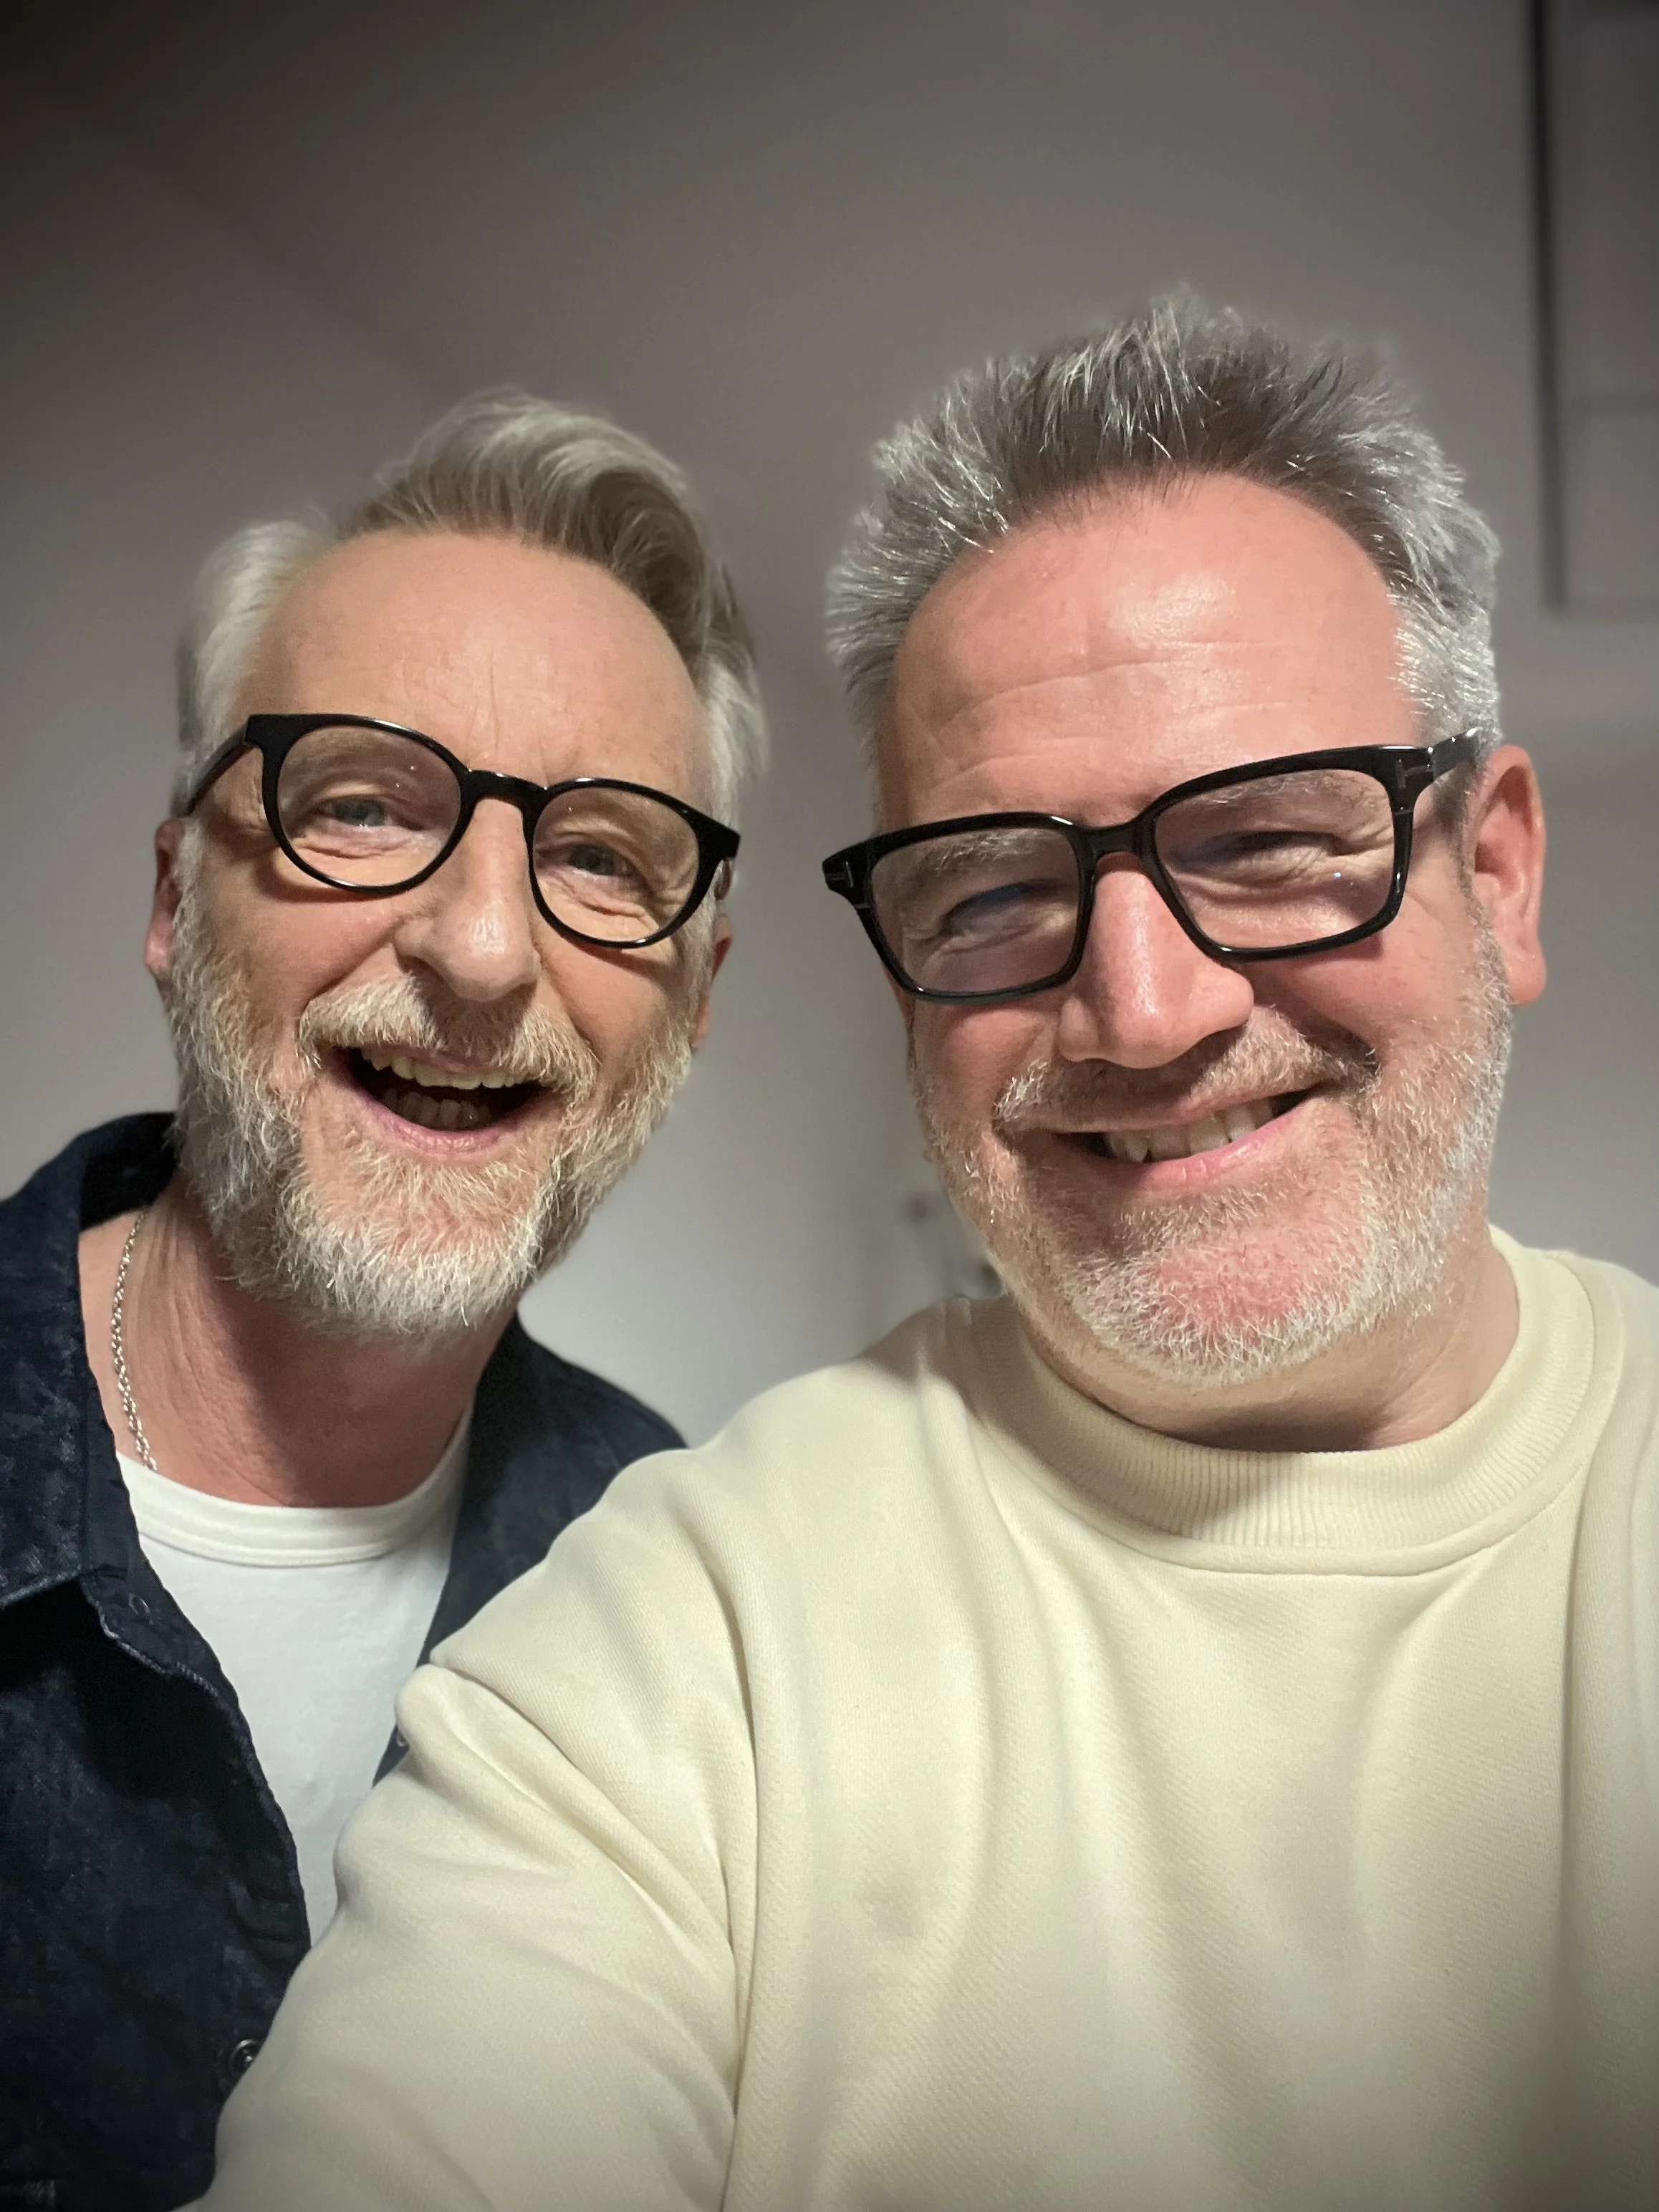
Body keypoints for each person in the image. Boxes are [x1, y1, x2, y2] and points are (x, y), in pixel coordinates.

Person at [196, 304, 1657, 2212]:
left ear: (1500, 875)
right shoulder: (671, 1634)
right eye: (992, 887)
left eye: (1273, 839)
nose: (1142, 1007)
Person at [0, 393, 763, 2212]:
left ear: (696, 998)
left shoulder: (699, 1586)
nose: (484, 949)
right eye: (361, 803)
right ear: (182, 898)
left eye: (600, 856)